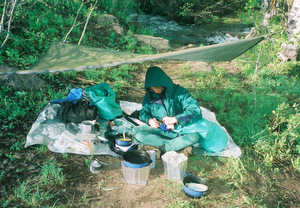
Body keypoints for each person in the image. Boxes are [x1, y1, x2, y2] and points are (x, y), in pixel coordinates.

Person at [134, 66, 203, 155]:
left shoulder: (179, 92)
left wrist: (175, 119)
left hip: (180, 131)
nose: (154, 91)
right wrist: (149, 120)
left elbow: (195, 111)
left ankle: (162, 148)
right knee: (138, 135)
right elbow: (143, 112)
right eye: (151, 89)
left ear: (163, 83)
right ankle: (175, 146)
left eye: (156, 87)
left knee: (195, 137)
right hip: (160, 131)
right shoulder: (150, 95)